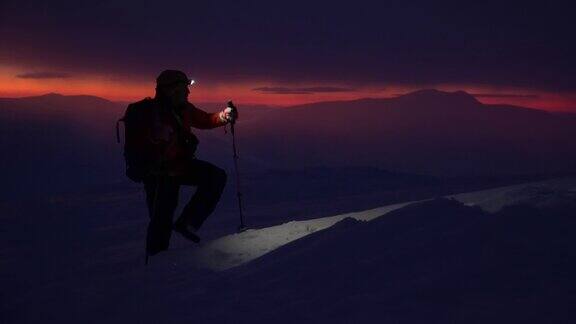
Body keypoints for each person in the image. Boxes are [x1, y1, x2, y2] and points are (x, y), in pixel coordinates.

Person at [132, 70, 238, 256]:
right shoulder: (152, 114)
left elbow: (205, 119)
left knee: (216, 176)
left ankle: (185, 225)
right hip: (159, 174)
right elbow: (146, 145)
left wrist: (223, 116)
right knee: (161, 218)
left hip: (177, 167)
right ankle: (158, 259)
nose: (188, 93)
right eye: (184, 89)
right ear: (171, 90)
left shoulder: (183, 108)